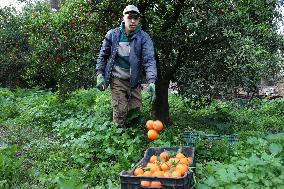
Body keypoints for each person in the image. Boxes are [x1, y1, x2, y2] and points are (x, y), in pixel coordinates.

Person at [96, 5, 157, 128]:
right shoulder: (113, 35)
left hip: (134, 81)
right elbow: (103, 55)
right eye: (130, 18)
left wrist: (151, 81)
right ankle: (118, 139)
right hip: (117, 79)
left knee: (135, 112)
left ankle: (131, 139)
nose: (133, 21)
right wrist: (100, 74)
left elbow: (149, 60)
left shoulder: (144, 37)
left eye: (136, 18)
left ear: (139, 20)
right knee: (120, 111)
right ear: (123, 18)